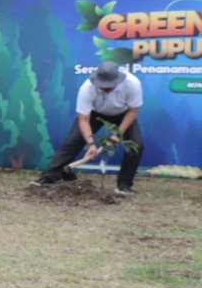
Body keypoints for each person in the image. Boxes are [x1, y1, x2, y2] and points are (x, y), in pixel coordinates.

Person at [33, 61, 143, 195]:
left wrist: (117, 135)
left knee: (136, 145)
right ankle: (48, 178)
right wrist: (91, 144)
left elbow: (132, 111)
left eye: (110, 86)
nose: (106, 88)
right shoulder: (87, 88)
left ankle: (124, 185)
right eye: (103, 85)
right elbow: (83, 119)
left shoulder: (132, 83)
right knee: (72, 141)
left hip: (122, 114)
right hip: (95, 113)